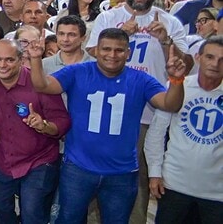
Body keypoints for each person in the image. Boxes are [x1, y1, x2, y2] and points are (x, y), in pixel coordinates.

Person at [27, 27, 188, 224]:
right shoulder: (78, 71)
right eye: (106, 49)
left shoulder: (140, 79)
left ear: (128, 53)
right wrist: (35, 59)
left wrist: (176, 80)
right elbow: (42, 85)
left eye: (119, 50)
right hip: (78, 168)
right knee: (68, 219)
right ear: (96, 50)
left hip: (121, 172)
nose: (112, 55)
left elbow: (170, 104)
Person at [0, 39, 70, 224]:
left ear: (21, 60)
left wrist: (44, 125)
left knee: (32, 213)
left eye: (9, 60)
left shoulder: (39, 83)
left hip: (39, 159)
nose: (2, 65)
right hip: (5, 159)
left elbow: (62, 122)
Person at [144, 36, 222, 223]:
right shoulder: (179, 84)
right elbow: (156, 132)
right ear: (198, 57)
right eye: (210, 57)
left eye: (222, 60)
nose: (215, 64)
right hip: (174, 185)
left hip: (217, 193)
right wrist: (154, 172)